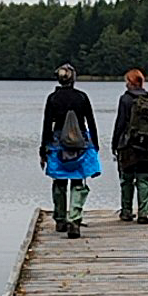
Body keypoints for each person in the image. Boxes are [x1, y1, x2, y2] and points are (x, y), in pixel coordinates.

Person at [39, 64, 102, 238]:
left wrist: (43, 148)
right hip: (80, 143)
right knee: (78, 181)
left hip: (58, 143)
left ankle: (60, 219)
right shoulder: (82, 97)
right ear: (73, 78)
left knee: (59, 182)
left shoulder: (53, 98)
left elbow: (47, 125)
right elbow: (91, 121)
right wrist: (95, 144)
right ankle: (75, 219)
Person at [111, 67, 148, 222]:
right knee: (143, 179)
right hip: (146, 145)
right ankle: (143, 213)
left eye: (127, 81)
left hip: (128, 145)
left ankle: (126, 211)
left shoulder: (125, 99)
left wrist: (115, 143)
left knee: (127, 179)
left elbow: (120, 123)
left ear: (131, 82)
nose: (125, 84)